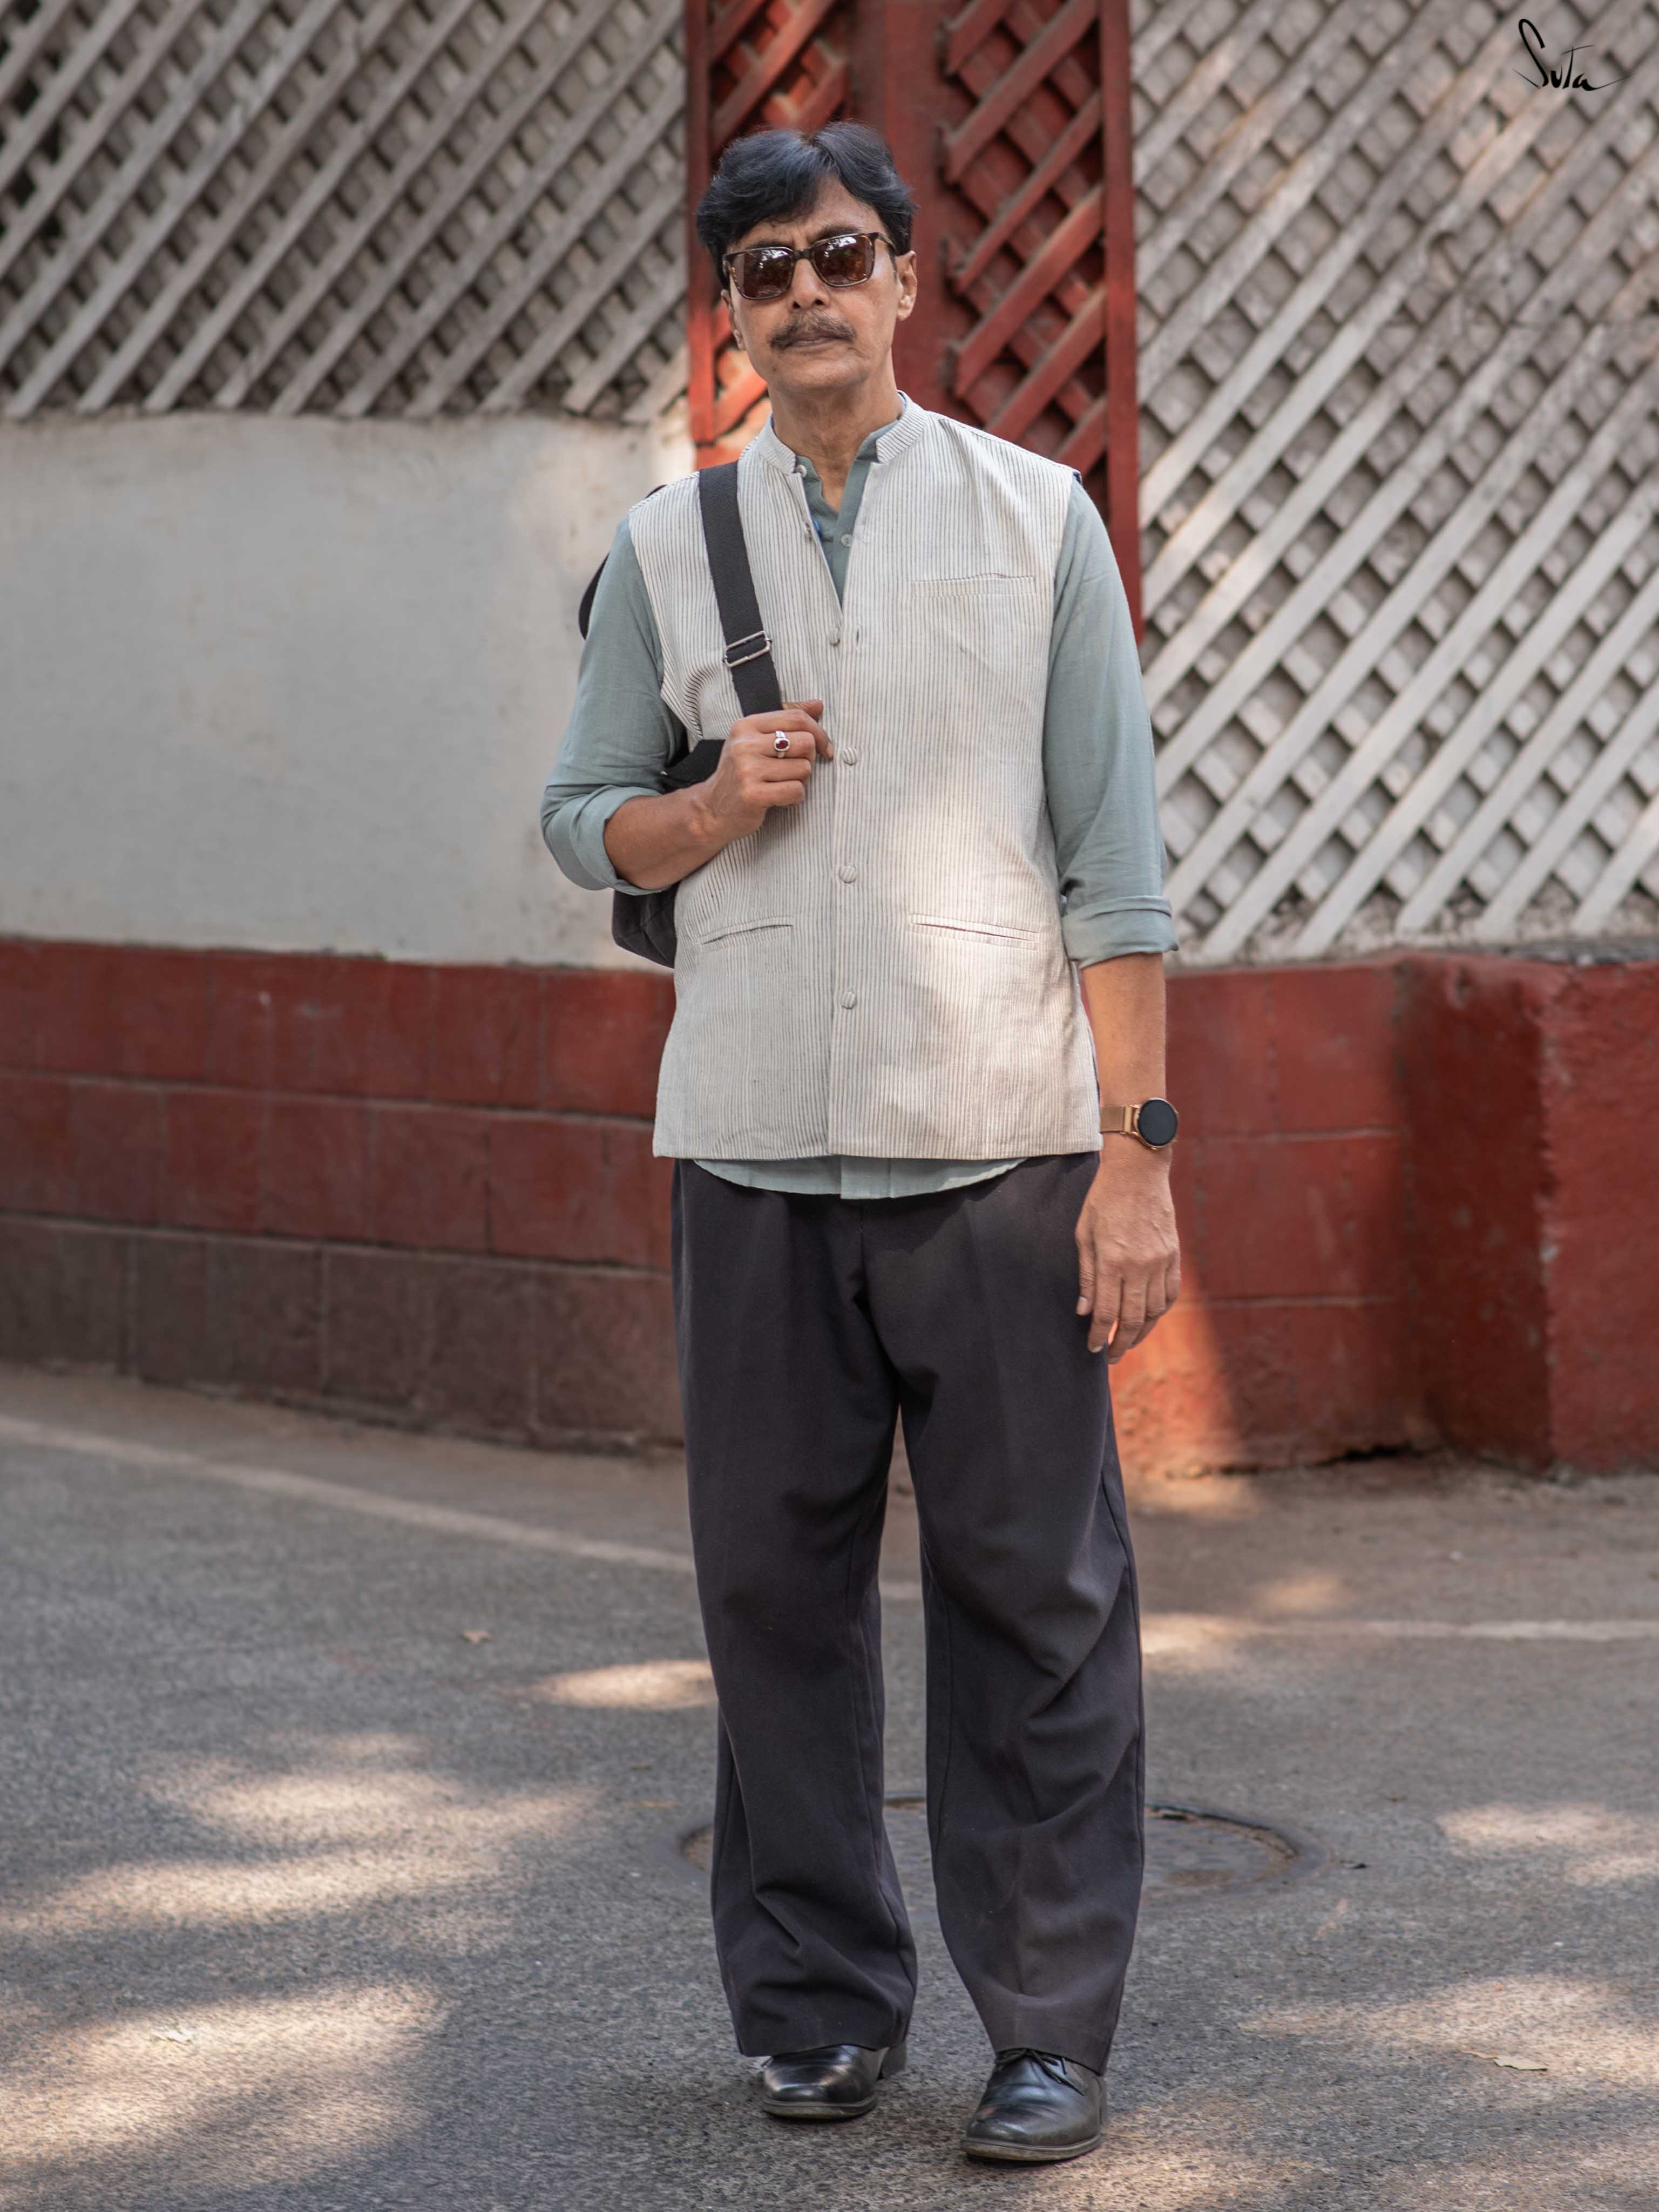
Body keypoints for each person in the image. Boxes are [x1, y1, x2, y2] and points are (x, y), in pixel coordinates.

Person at [541, 121, 1180, 2166]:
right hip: (748, 1150)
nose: (805, 292)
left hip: (997, 1150)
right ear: (729, 313)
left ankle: (1046, 2029)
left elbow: (1116, 868)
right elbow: (582, 821)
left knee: (1036, 1602)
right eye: (765, 269)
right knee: (770, 1600)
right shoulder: (664, 547)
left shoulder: (1034, 518)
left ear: (903, 279)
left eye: (838, 255)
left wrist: (1137, 1154)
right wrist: (709, 802)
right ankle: (816, 2011)